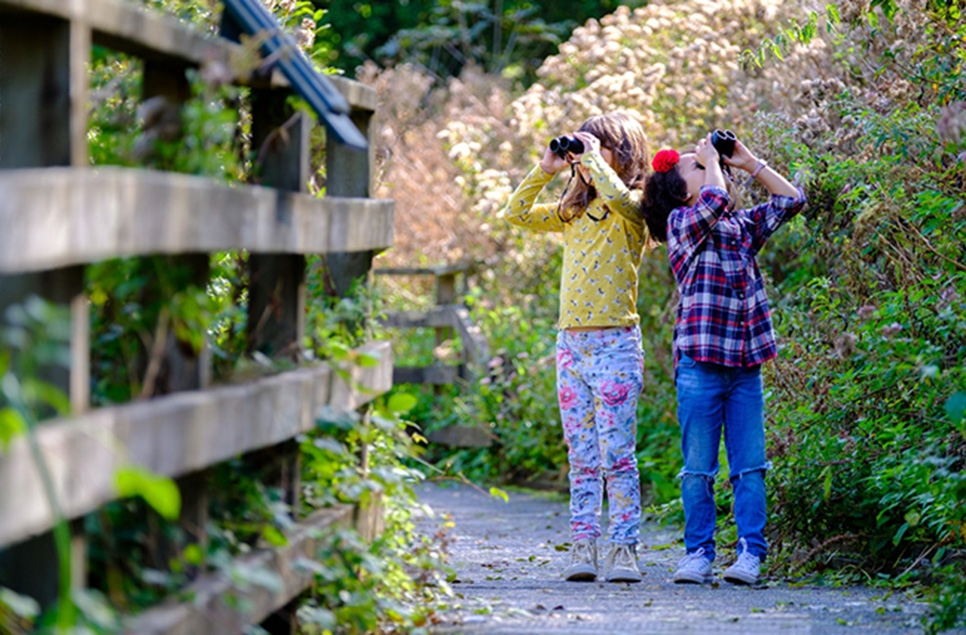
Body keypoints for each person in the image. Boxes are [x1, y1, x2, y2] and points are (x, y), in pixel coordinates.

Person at [640, 135, 806, 585]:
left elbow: (792, 200)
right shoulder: (681, 223)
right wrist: (711, 160)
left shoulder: (737, 227)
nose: (709, 168)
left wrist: (749, 162)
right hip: (700, 365)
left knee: (750, 465)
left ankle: (750, 552)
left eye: (707, 163)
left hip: (744, 366)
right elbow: (713, 200)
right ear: (680, 190)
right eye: (696, 167)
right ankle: (699, 553)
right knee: (698, 467)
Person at [502, 112, 657, 583]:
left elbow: (622, 201)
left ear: (622, 153)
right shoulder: (573, 213)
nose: (584, 154)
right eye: (581, 148)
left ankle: (625, 549)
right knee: (582, 457)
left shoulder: (635, 207)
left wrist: (594, 161)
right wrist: (545, 170)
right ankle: (583, 546)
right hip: (571, 346)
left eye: (598, 144)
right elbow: (516, 214)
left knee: (618, 455)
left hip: (615, 344)